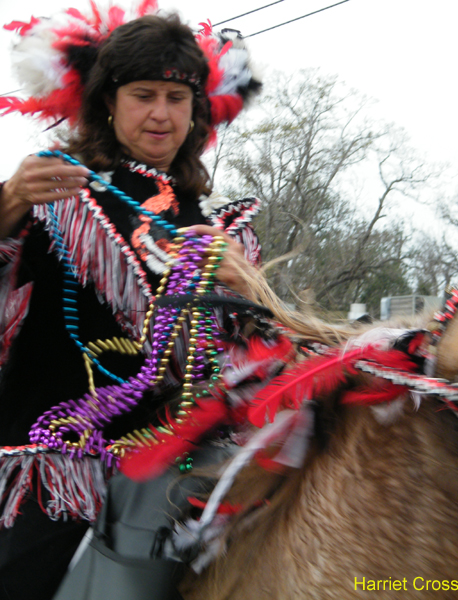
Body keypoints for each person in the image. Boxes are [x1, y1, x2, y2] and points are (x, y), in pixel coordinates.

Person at [0, 6, 261, 599]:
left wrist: (240, 286)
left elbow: (249, 360)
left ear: (198, 110)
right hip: (57, 464)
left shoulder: (225, 230)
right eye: (144, 95)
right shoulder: (53, 190)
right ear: (108, 103)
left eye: (176, 97)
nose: (161, 114)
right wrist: (9, 202)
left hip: (188, 473)